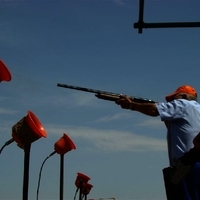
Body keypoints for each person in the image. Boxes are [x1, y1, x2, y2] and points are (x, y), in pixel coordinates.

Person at [115, 85, 200, 200]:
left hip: (188, 165)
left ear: (184, 96)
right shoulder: (197, 109)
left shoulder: (183, 104)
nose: (172, 103)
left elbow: (153, 110)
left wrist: (131, 105)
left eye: (174, 99)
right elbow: (177, 130)